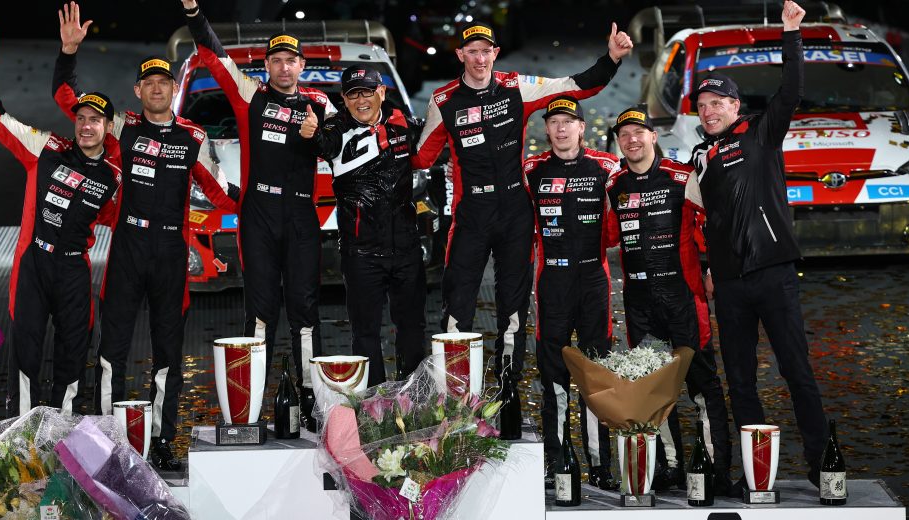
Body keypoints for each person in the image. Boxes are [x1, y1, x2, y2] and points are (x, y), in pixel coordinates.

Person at [53, 2, 239, 470]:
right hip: (128, 249)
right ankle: (108, 442)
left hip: (171, 253)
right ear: (137, 91)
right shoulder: (122, 127)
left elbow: (220, 194)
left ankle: (161, 441)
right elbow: (67, 99)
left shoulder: (194, 137)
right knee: (111, 351)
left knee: (169, 355)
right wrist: (68, 52)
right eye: (149, 83)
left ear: (174, 90)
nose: (157, 89)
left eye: (164, 83)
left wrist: (261, 211)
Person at [412, 22, 632, 390]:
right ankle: (453, 393)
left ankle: (508, 387)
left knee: (512, 307)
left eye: (486, 51)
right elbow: (420, 157)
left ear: (495, 53)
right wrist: (411, 139)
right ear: (460, 54)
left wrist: (611, 58)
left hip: (515, 212)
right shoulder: (444, 100)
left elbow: (574, 85)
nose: (479, 59)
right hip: (471, 214)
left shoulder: (516, 86)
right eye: (472, 51)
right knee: (457, 304)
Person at [690, 0, 828, 489]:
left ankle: (822, 464)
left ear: (734, 106)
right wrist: (707, 265)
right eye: (702, 106)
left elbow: (791, 90)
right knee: (741, 382)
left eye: (717, 103)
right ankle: (757, 475)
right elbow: (700, 219)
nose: (709, 111)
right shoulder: (699, 156)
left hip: (773, 271)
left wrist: (791, 33)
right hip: (729, 285)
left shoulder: (762, 132)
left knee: (797, 372)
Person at [180, 0, 336, 426]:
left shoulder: (319, 103)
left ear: (302, 65)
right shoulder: (249, 94)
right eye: (276, 60)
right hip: (259, 216)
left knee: (306, 314)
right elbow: (213, 54)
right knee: (260, 313)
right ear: (266, 66)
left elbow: (340, 147)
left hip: (302, 214)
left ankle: (312, 406)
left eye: (291, 60)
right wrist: (193, 12)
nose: (284, 67)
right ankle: (249, 413)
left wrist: (317, 135)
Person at [0, 28, 120, 417]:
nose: (85, 126)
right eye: (81, 118)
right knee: (25, 352)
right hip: (34, 266)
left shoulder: (114, 178)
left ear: (108, 127)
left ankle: (63, 431)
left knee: (73, 354)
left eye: (95, 120)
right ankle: (21, 433)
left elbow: (131, 220)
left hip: (74, 270)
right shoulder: (47, 149)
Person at [605, 105, 733, 495]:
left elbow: (718, 221)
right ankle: (670, 467)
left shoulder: (682, 176)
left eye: (638, 132)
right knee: (654, 390)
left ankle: (716, 470)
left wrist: (714, 270)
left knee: (703, 386)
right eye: (624, 135)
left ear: (653, 136)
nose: (631, 140)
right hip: (640, 304)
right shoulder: (615, 187)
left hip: (683, 300)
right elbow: (607, 237)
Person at [523, 96, 619, 491]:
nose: (561, 128)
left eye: (568, 122)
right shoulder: (532, 169)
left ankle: (600, 465)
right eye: (554, 122)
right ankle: (558, 460)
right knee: (554, 379)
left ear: (582, 127)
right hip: (552, 284)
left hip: (594, 282)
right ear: (546, 129)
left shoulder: (607, 167)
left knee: (596, 377)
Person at [308, 65, 427, 386]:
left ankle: (414, 399)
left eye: (367, 92)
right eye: (353, 94)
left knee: (413, 328)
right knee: (365, 334)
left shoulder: (403, 122)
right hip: (361, 253)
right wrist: (310, 133)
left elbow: (437, 143)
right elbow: (322, 144)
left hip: (406, 248)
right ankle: (374, 406)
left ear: (381, 92)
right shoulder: (335, 129)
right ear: (344, 99)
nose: (361, 101)